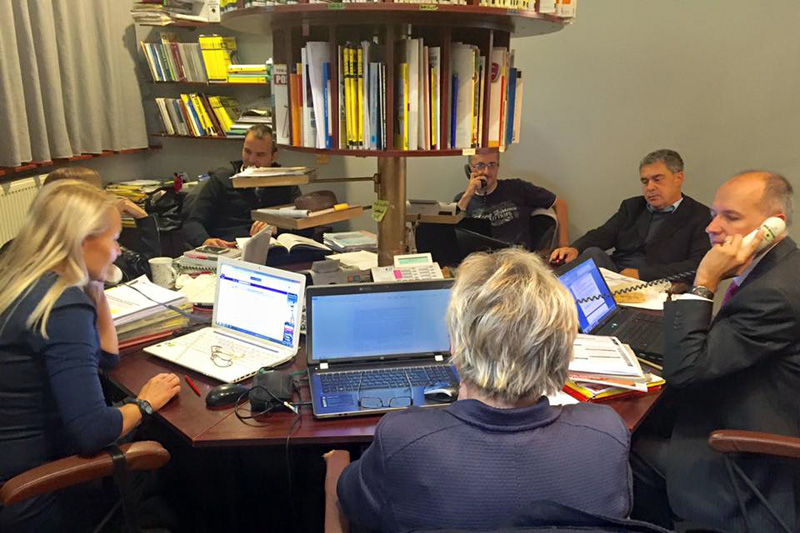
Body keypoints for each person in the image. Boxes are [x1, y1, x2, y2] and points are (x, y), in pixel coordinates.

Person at [329, 249, 632, 532]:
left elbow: (351, 502)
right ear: (562, 349)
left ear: (456, 347)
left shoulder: (404, 439)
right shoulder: (606, 433)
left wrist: (336, 461)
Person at [0, 180, 181, 531]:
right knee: (172, 469)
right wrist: (145, 403)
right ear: (82, 241)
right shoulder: (61, 307)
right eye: (114, 239)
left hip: (16, 467)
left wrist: (95, 284)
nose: (117, 250)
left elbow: (106, 359)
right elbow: (93, 431)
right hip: (34, 492)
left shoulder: (23, 282)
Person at [631, 172, 799, 531]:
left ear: (772, 226)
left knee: (627, 447)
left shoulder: (775, 293)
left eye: (730, 217)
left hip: (753, 459)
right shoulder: (780, 265)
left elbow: (687, 372)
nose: (712, 227)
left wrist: (704, 282)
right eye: (713, 214)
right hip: (749, 402)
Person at [550, 149, 711, 281]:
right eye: (645, 181)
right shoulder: (632, 206)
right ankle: (548, 292)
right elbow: (604, 233)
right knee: (592, 253)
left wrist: (642, 274)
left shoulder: (699, 216)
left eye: (657, 179)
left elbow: (697, 265)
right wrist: (575, 248)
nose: (650, 187)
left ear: (678, 178)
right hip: (616, 273)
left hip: (655, 282)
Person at [0, 167, 161, 283]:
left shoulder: (94, 240)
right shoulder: (17, 253)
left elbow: (150, 271)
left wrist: (143, 217)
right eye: (97, 195)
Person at [183, 124, 301, 248]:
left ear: (273, 157)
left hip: (271, 249)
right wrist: (205, 241)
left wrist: (277, 228)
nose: (251, 160)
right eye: (247, 152)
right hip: (229, 246)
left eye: (260, 155)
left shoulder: (286, 182)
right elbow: (192, 223)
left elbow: (304, 227)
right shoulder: (222, 179)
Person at [454, 151, 570, 250]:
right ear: (469, 169)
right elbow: (452, 236)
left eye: (492, 165)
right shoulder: (463, 200)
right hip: (482, 262)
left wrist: (563, 246)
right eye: (480, 165)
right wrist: (468, 195)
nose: (487, 172)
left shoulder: (517, 188)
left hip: (517, 259)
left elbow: (560, 204)